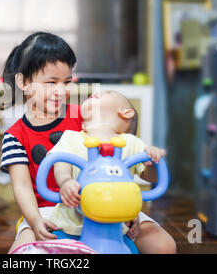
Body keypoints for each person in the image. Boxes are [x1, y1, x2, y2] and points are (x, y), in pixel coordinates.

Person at [49, 90, 177, 254]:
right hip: (70, 226)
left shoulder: (131, 143)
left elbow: (150, 177)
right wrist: (65, 182)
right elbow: (60, 164)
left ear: (126, 113)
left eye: (106, 93)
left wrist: (152, 162)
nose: (96, 92)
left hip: (115, 228)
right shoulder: (71, 137)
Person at [0, 32, 83, 253]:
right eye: (50, 83)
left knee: (163, 244)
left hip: (92, 206)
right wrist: (35, 220)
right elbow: (22, 186)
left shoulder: (84, 117)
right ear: (23, 82)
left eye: (66, 82)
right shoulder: (15, 136)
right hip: (46, 212)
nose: (60, 91)